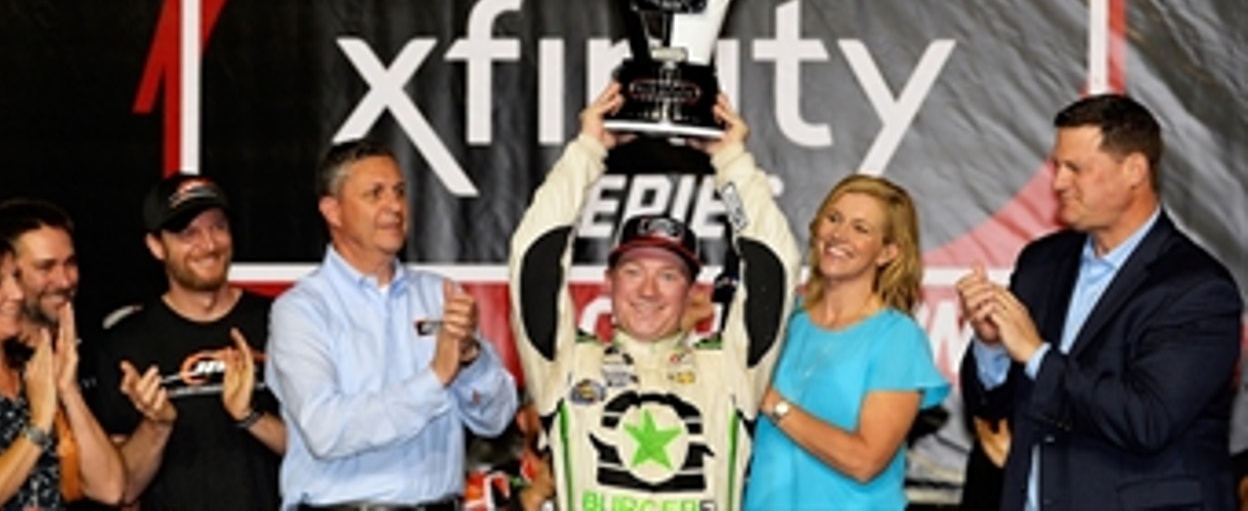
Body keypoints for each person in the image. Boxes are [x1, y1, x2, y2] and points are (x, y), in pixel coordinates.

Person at [508, 83, 800, 511]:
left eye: (668, 275)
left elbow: (774, 263)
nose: (647, 290)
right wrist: (588, 149)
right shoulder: (566, 363)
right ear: (609, 282)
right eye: (632, 271)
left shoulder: (730, 368)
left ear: (691, 291)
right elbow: (533, 258)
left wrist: (731, 160)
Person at [956, 93, 1242, 510]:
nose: (1057, 182)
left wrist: (1036, 354)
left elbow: (1147, 420)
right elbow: (989, 407)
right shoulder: (1042, 263)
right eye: (1057, 166)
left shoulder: (1197, 288)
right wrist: (992, 345)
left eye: (1076, 168)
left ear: (1134, 170)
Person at [267, 137, 518, 510]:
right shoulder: (301, 311)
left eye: (399, 192)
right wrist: (434, 379)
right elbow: (326, 431)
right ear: (333, 211)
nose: (394, 206)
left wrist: (471, 358)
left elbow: (496, 420)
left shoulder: (439, 295)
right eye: (375, 194)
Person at [743, 173, 949, 508]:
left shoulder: (897, 337)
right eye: (834, 218)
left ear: (888, 252)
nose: (839, 234)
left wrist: (773, 403)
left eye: (861, 228)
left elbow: (865, 461)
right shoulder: (785, 318)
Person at [93, 172, 285, 509]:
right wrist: (156, 425)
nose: (209, 244)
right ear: (156, 246)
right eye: (188, 233)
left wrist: (250, 416)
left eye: (218, 227)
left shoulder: (282, 323)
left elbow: (323, 456)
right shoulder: (125, 344)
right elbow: (121, 491)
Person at [0, 223, 124, 509]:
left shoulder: (32, 371)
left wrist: (68, 391)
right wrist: (38, 424)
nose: (16, 293)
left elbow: (110, 488)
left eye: (15, 277)